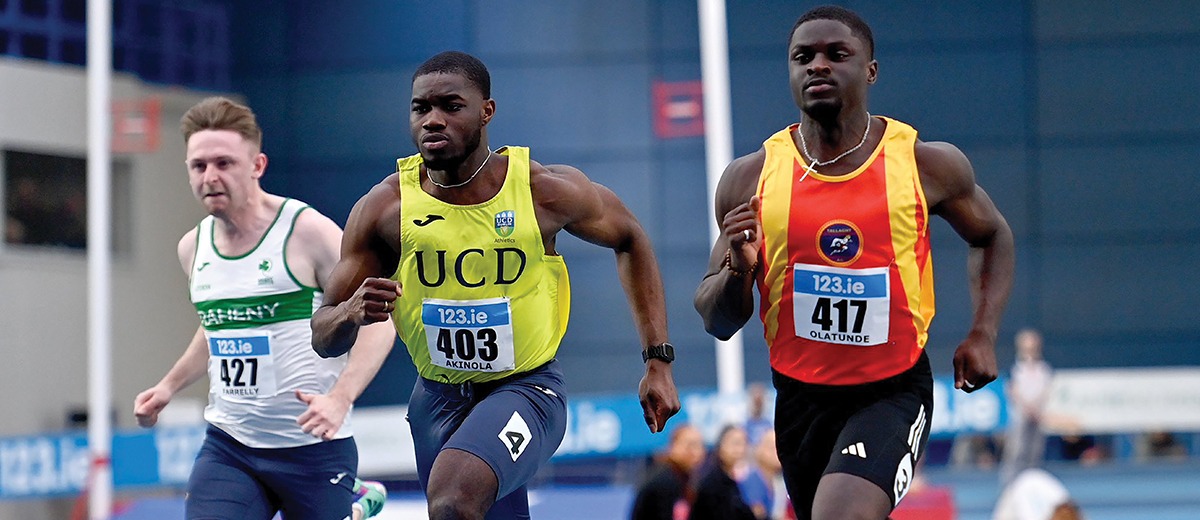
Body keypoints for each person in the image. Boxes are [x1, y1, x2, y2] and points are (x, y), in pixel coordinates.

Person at [310, 51, 682, 520]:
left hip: (526, 390)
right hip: (436, 400)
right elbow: (323, 337)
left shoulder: (541, 190)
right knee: (468, 507)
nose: (433, 120)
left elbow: (631, 238)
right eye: (421, 108)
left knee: (453, 499)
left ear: (487, 111)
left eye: (451, 106)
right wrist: (349, 313)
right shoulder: (386, 209)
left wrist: (658, 360)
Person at [692, 5, 1015, 520]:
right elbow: (719, 321)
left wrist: (984, 332)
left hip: (890, 393)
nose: (817, 66)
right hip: (799, 401)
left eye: (836, 54)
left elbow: (993, 234)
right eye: (804, 57)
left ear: (870, 70)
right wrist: (738, 267)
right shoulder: (750, 179)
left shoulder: (924, 164)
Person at [132, 97, 394, 520]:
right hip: (230, 445)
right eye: (199, 166)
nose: (210, 177)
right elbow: (216, 327)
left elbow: (380, 321)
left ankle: (354, 503)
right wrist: (168, 387)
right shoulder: (192, 248)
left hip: (312, 447)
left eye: (224, 163)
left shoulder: (304, 231)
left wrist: (340, 398)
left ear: (257, 166)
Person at [1000, 328, 1053, 485]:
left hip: (1037, 415)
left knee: (1035, 453)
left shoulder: (1043, 369)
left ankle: (1031, 484)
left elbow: (1045, 390)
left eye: (1033, 347)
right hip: (1020, 414)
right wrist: (1026, 406)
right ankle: (1009, 486)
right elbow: (1012, 390)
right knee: (1016, 452)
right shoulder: (1015, 368)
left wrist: (1036, 408)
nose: (1030, 350)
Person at [630, 424, 707, 520]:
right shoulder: (664, 481)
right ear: (673, 446)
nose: (696, 452)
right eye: (690, 445)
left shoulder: (684, 478)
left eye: (700, 446)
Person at [688, 425, 756, 520]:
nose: (740, 449)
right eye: (735, 443)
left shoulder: (733, 482)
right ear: (720, 445)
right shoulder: (711, 482)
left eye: (743, 443)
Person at [739, 429, 783, 520]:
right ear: (759, 449)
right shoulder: (752, 481)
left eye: (779, 447)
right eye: (771, 447)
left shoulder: (780, 480)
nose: (777, 452)